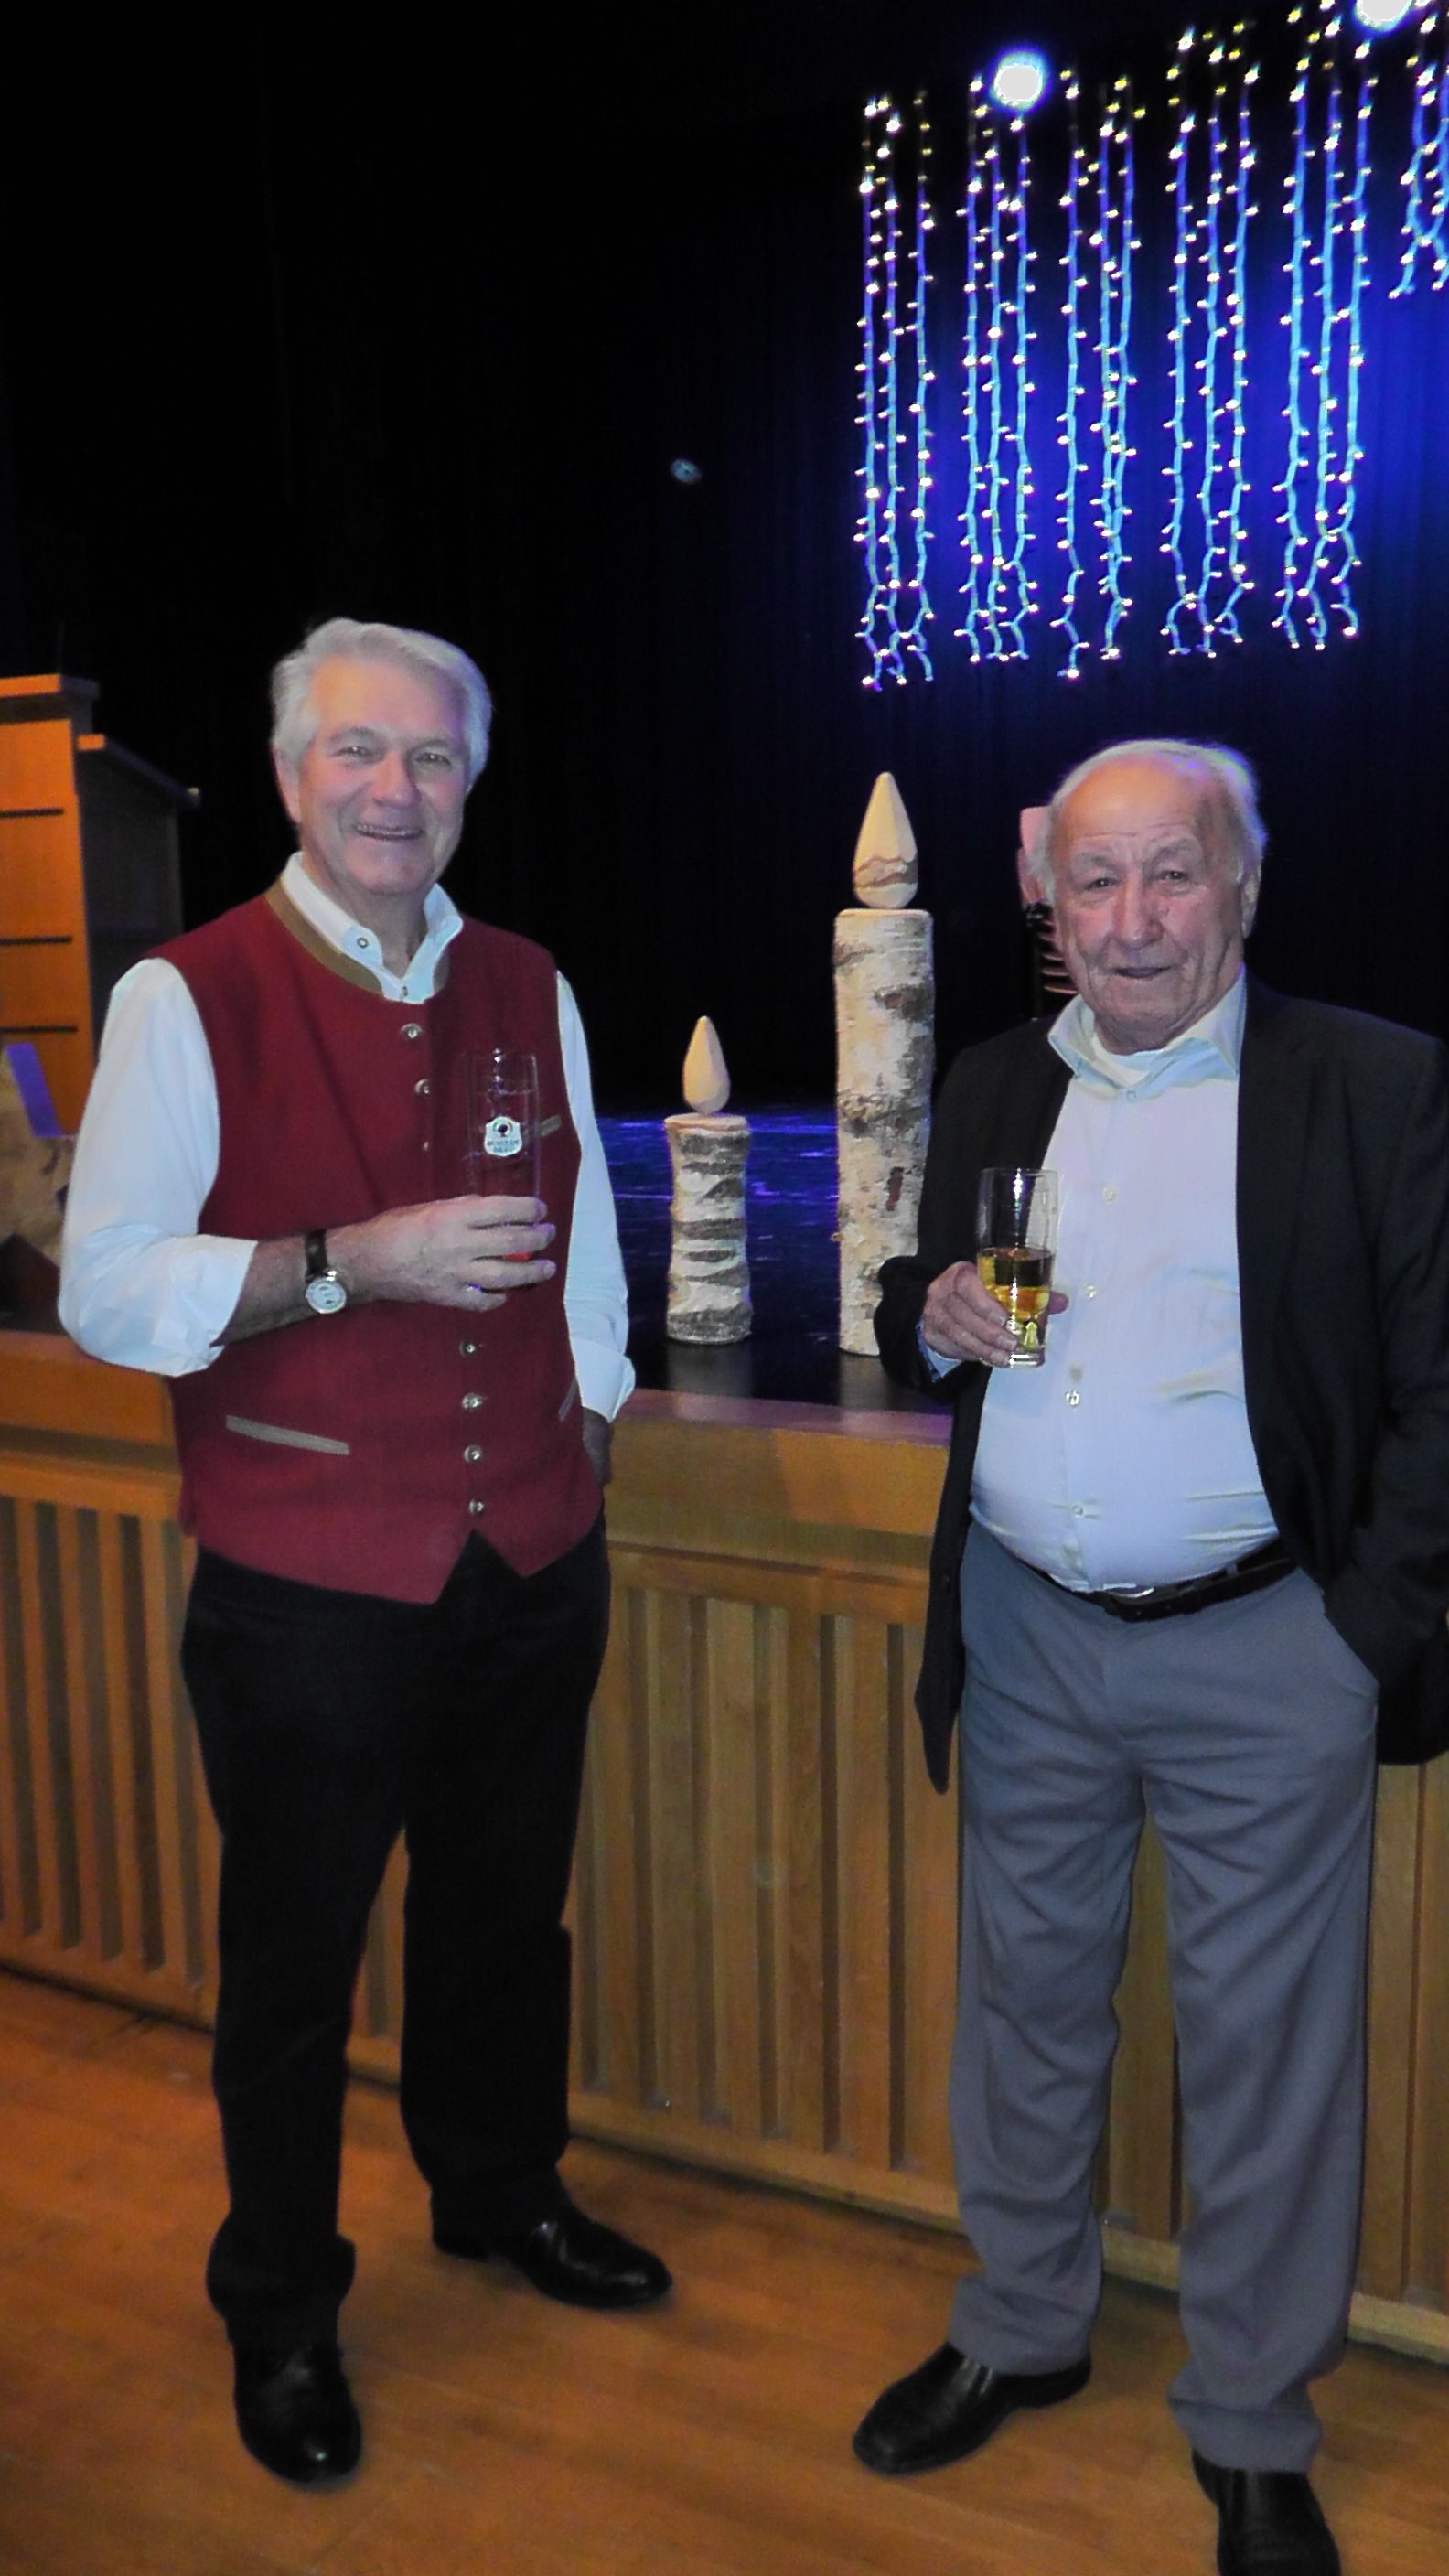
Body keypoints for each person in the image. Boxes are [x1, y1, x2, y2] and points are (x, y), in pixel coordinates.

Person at [59, 616, 670, 2487]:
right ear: (287, 775)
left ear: (469, 781)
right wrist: (346, 1261)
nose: (396, 789)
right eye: (358, 752)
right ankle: (282, 2308)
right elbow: (107, 1291)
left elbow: (582, 1242)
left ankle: (497, 2188)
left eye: (431, 756)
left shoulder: (529, 978)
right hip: (306, 1586)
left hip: (530, 1554)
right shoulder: (187, 995)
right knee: (294, 1968)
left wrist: (588, 1425)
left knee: (503, 1919)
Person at [859, 739, 1449, 2576]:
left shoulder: (1372, 1084)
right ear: (1048, 902)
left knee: (1269, 2055)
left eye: (1171, 874)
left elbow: (1439, 1394)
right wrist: (929, 1317)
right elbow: (913, 1307)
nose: (1130, 920)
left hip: (1268, 1647)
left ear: (1242, 886)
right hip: (1028, 1631)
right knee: (1024, 2007)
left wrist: (1354, 1640)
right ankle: (1022, 2323)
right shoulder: (991, 1081)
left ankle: (1254, 2421)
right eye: (1092, 882)